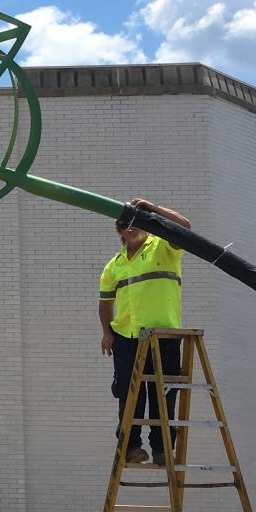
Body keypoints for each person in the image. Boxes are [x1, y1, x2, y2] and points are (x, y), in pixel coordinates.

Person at [98, 198, 192, 466]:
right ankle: (131, 446)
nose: (132, 228)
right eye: (126, 224)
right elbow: (105, 304)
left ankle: (163, 449)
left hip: (163, 336)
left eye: (137, 223)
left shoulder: (164, 247)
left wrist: (153, 209)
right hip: (127, 338)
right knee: (129, 393)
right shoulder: (113, 266)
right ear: (119, 231)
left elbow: (184, 226)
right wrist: (107, 333)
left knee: (163, 392)